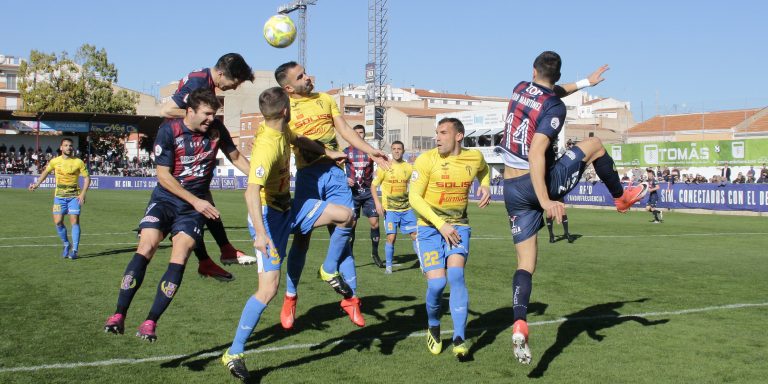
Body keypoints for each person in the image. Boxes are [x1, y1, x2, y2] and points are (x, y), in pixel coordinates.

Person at [494, 51, 647, 365]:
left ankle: (520, 323)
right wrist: (547, 199)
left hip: (510, 190)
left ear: (533, 70)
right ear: (557, 72)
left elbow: (551, 91)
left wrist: (586, 82)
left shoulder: (520, 88)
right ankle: (620, 197)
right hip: (535, 184)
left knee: (525, 264)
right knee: (594, 145)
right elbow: (537, 153)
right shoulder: (554, 107)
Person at [220, 87, 351, 380]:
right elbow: (251, 192)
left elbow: (300, 140)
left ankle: (328, 270)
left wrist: (329, 152)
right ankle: (234, 352)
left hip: (288, 209)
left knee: (345, 215)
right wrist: (260, 236)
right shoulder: (267, 146)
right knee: (268, 290)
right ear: (284, 110)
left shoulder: (283, 129)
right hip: (267, 220)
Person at [103, 88, 252, 342]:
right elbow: (163, 175)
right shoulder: (169, 130)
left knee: (180, 254)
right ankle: (119, 314)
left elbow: (235, 156)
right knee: (147, 246)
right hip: (165, 200)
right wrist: (197, 201)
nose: (210, 119)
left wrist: (259, 178)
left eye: (214, 114)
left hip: (191, 210)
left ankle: (150, 322)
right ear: (190, 111)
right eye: (206, 114)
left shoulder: (217, 130)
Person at [275, 61, 391, 329]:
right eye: (301, 76)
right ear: (289, 87)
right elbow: (295, 140)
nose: (309, 77)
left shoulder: (326, 100)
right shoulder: (286, 108)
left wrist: (370, 150)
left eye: (306, 72)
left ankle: (350, 298)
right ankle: (290, 297)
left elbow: (346, 130)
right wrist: (325, 151)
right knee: (301, 240)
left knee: (346, 232)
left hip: (336, 175)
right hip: (308, 176)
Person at [159, 53, 258, 282]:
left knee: (203, 199)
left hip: (191, 142)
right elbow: (165, 111)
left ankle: (217, 254)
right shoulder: (199, 83)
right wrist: (208, 121)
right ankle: (217, 254)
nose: (234, 88)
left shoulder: (205, 81)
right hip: (180, 146)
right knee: (196, 201)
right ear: (222, 73)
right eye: (235, 82)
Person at [410, 118, 491, 359]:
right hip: (429, 228)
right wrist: (440, 224)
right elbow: (414, 197)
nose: (437, 138)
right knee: (436, 284)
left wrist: (485, 185)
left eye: (443, 133)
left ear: (458, 136)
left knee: (455, 275)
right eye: (437, 133)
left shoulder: (474, 157)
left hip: (459, 225)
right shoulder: (426, 160)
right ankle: (434, 324)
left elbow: (484, 170)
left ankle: (459, 337)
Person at [28, 138, 91, 259]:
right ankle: (66, 244)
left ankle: (75, 250)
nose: (68, 147)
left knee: (75, 222)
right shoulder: (54, 161)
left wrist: (83, 193)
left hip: (74, 197)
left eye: (70, 145)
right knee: (58, 222)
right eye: (66, 145)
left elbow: (87, 178)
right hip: (59, 197)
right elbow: (45, 172)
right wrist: (36, 184)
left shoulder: (78, 162)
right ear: (61, 147)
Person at [371, 140, 418, 274]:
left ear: (403, 151)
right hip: (390, 210)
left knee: (415, 235)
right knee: (391, 237)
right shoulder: (385, 167)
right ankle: (389, 267)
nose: (397, 151)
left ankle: (423, 263)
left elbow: (415, 184)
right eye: (394, 149)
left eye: (399, 149)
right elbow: (373, 186)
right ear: (391, 151)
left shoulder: (409, 168)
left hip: (406, 209)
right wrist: (377, 203)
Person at [344, 125, 383, 267]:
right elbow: (335, 168)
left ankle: (375, 253)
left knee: (375, 223)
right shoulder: (346, 152)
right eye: (356, 133)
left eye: (361, 133)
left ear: (364, 135)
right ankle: (350, 255)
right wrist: (345, 178)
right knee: (352, 224)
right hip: (352, 194)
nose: (359, 135)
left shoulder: (370, 152)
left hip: (368, 193)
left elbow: (380, 163)